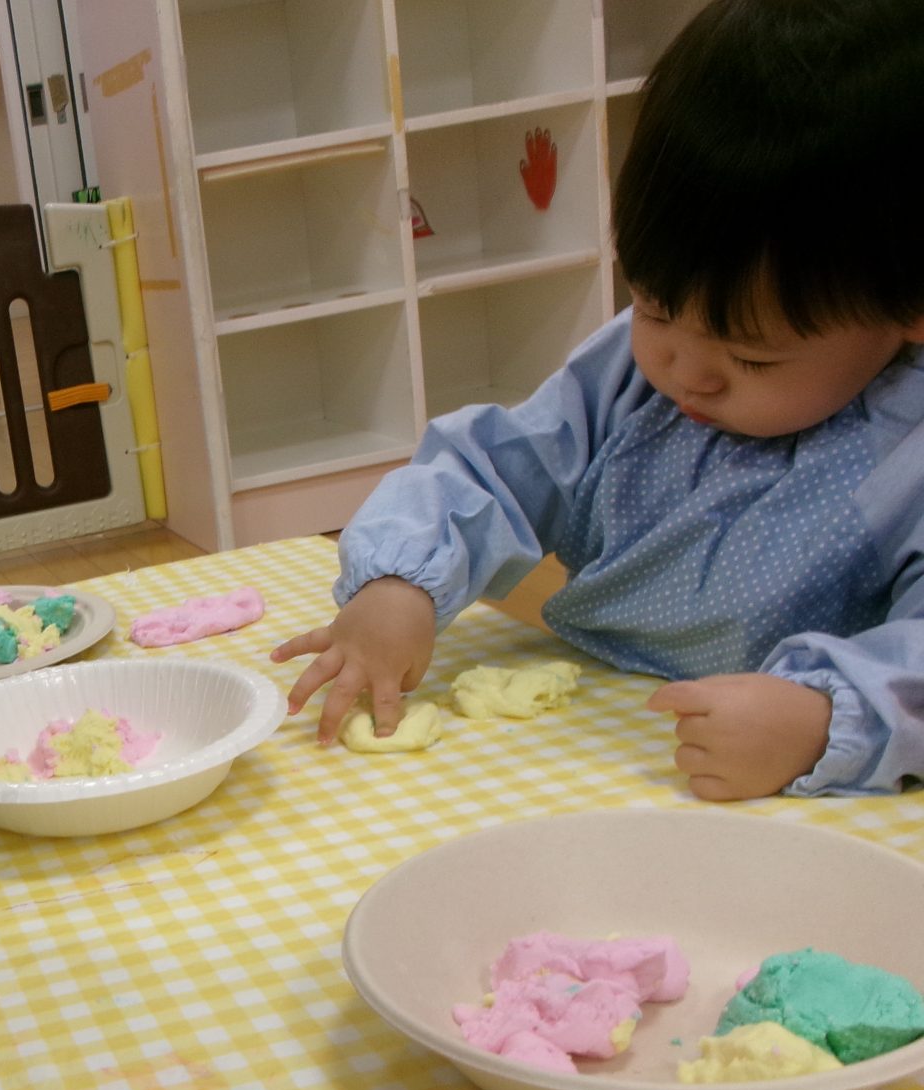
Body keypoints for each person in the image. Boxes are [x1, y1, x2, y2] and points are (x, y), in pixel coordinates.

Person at [272, 0, 924, 801]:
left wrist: (828, 719)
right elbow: (492, 468)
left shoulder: (906, 452)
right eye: (654, 306)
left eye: (751, 355)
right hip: (596, 731)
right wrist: (400, 582)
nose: (685, 371)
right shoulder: (631, 373)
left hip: (802, 785)